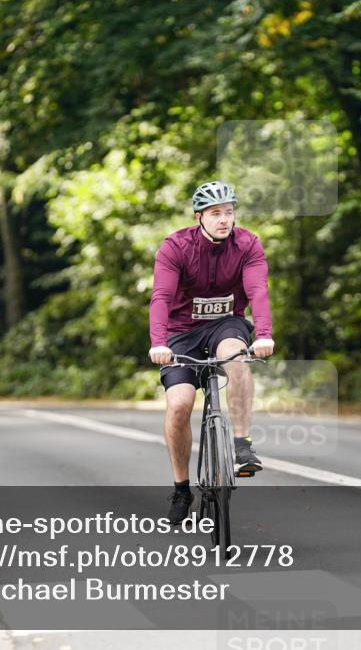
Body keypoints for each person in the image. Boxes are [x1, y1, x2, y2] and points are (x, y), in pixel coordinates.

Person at [148, 180, 275, 524]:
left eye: (229, 212)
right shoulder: (176, 246)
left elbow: (258, 290)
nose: (224, 220)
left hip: (226, 324)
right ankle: (181, 488)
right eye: (215, 213)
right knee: (179, 406)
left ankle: (241, 444)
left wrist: (263, 335)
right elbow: (160, 297)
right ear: (199, 216)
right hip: (180, 333)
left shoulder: (248, 244)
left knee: (236, 357)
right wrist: (158, 343)